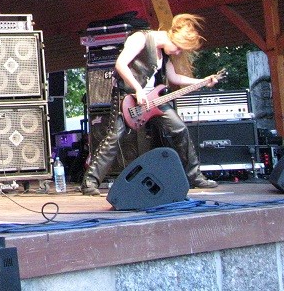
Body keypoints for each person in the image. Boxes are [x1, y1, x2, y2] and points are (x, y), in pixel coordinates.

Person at [81, 14, 219, 196]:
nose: (178, 52)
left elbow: (174, 78)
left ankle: (195, 176)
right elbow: (120, 64)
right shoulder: (141, 38)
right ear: (173, 38)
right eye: (178, 48)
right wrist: (138, 89)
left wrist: (202, 81)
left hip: (153, 100)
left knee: (180, 129)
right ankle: (89, 182)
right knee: (114, 137)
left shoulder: (164, 54)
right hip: (127, 97)